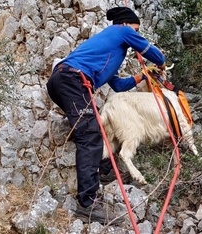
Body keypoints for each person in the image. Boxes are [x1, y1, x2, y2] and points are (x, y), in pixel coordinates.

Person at [46, 6, 166, 224]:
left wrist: (142, 76)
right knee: (90, 134)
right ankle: (88, 203)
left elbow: (119, 85)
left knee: (89, 129)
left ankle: (103, 170)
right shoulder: (121, 31)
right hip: (73, 80)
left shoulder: (111, 50)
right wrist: (161, 63)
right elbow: (153, 52)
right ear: (127, 25)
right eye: (136, 30)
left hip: (61, 81)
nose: (136, 35)